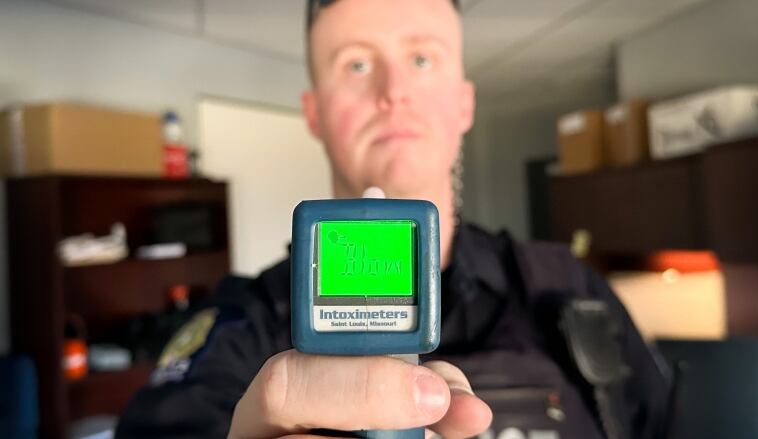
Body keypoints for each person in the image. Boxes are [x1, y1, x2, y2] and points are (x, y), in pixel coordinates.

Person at [116, 1, 670, 438]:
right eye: (356, 64)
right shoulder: (240, 326)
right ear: (314, 112)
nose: (393, 92)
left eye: (422, 59)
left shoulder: (574, 291)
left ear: (464, 103)